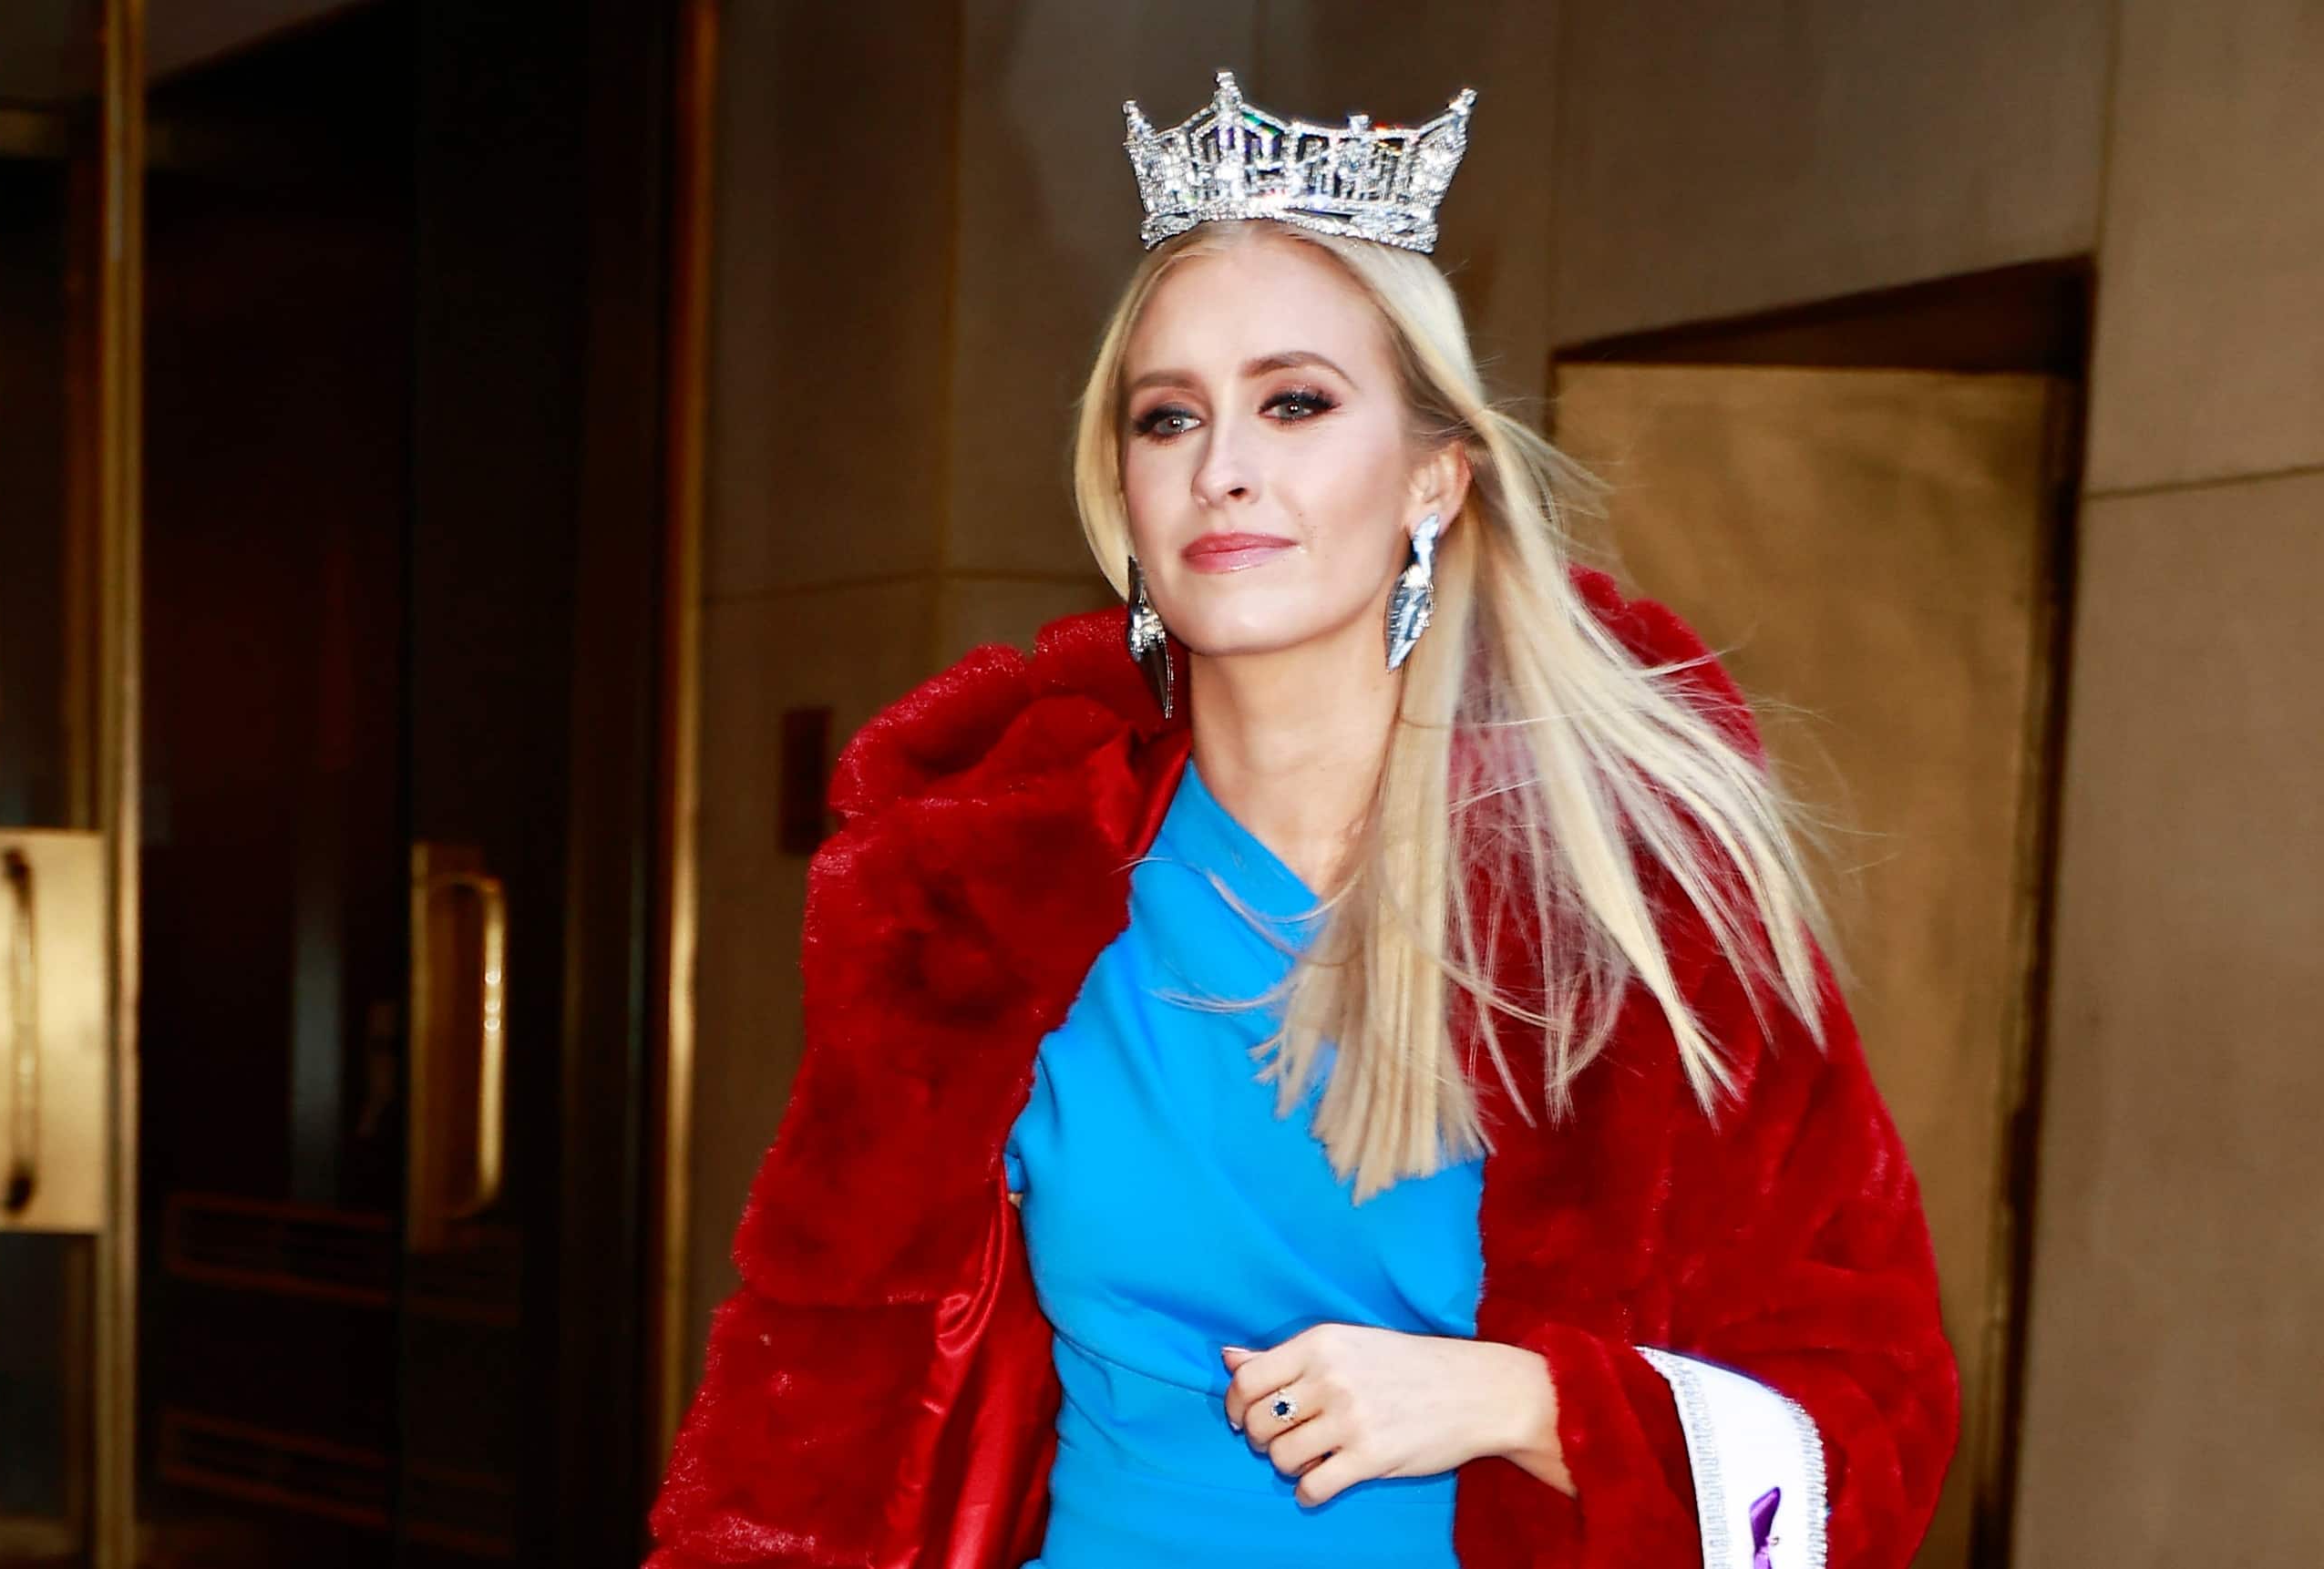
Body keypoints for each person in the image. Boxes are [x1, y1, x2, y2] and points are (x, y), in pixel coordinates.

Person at [645, 71, 1957, 1569]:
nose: (1223, 468)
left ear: (1432, 478)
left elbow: (1876, 1423)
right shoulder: (980, 896)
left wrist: (1522, 1400)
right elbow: (816, 1424)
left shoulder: (1633, 905)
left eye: (1295, 402)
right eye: (1168, 417)